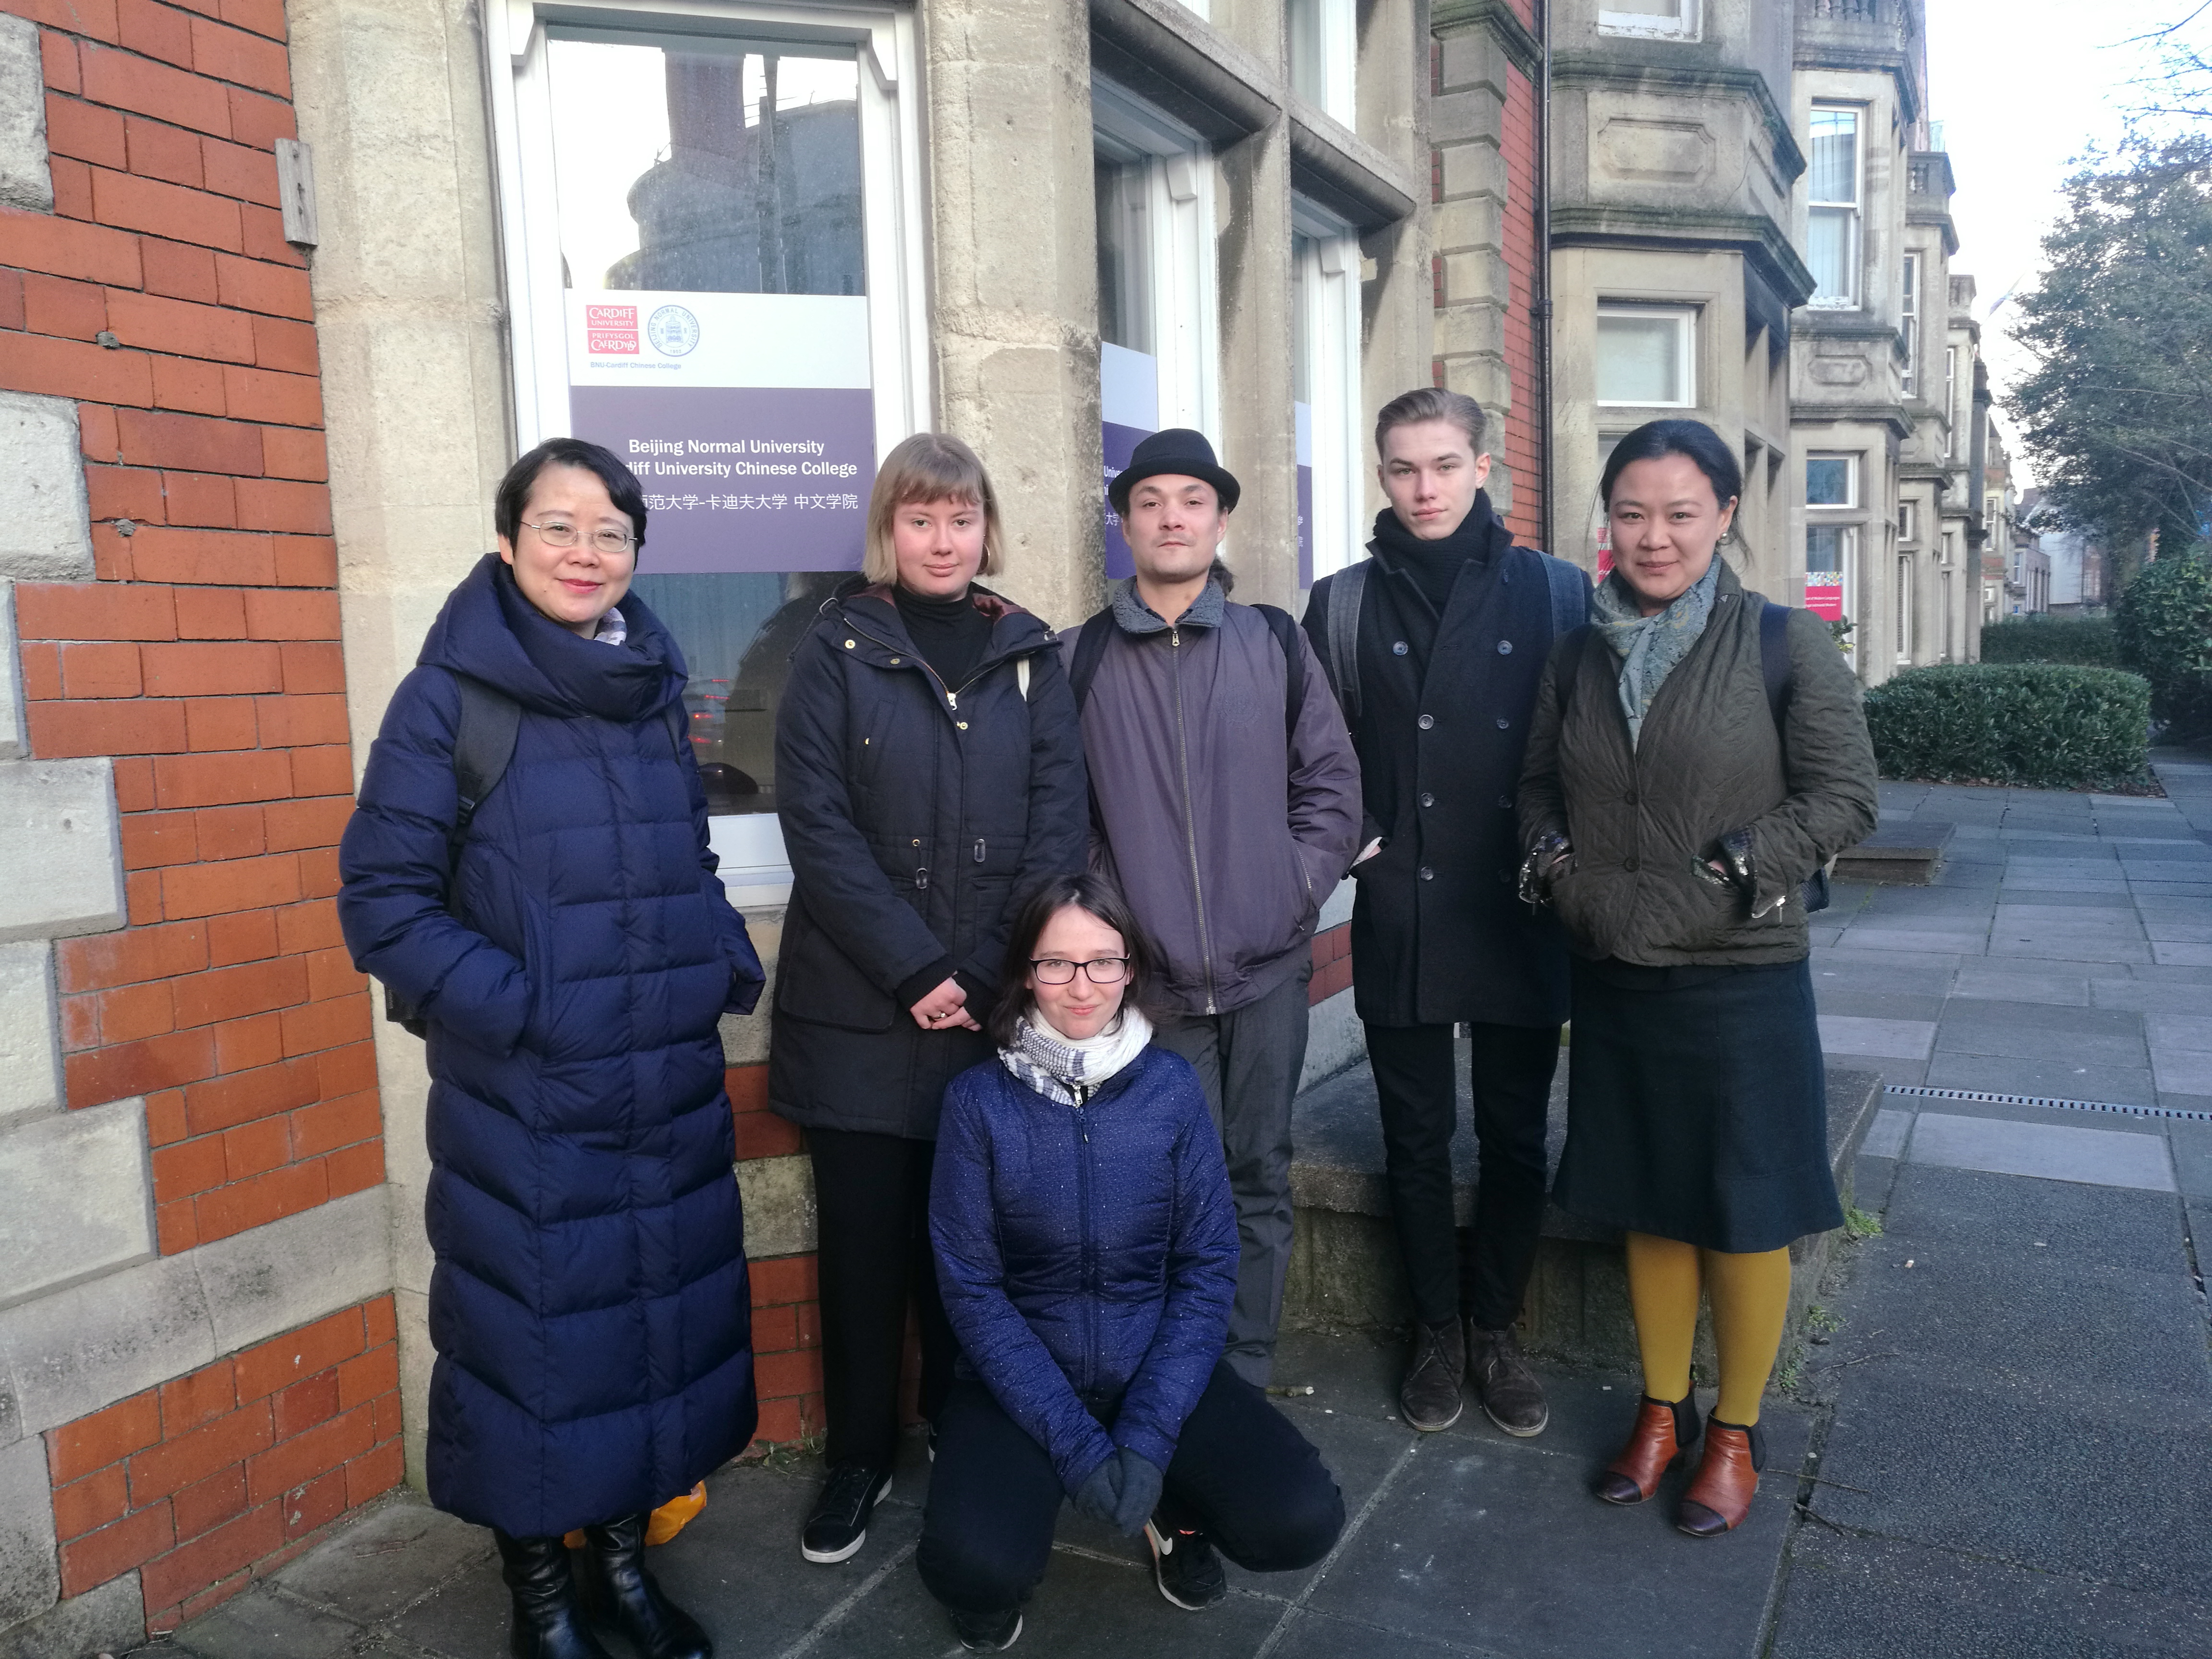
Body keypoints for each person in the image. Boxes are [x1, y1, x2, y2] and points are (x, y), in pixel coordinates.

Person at [339, 437, 766, 1659]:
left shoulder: (650, 689)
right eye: (559, 527)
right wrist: (532, 1013)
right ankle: (541, 1604)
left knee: (650, 1343)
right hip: (527, 1104)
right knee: (532, 1356)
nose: (586, 552)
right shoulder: (448, 700)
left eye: (611, 532)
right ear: (508, 539)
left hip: (664, 1090)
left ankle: (621, 1572)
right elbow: (383, 905)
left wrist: (717, 960)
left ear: (637, 553)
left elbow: (686, 857)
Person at [1516, 418, 1877, 1538]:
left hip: (1738, 973)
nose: (1654, 537)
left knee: (1745, 1209)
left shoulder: (1781, 642)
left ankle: (1735, 1431)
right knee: (1648, 1200)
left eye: (1679, 513)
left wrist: (1731, 870)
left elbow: (1845, 798)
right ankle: (1661, 1411)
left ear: (1724, 514)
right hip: (1615, 969)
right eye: (1632, 514)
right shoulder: (1576, 654)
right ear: (1608, 522)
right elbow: (1536, 789)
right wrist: (1559, 874)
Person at [769, 433, 1089, 1567]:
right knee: (863, 1250)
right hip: (861, 1009)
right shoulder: (833, 649)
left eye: (960, 518)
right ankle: (859, 1455)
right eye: (920, 519)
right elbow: (816, 825)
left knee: (976, 1250)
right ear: (888, 531)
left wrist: (997, 976)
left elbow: (1059, 828)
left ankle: (968, 1430)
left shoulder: (1029, 656)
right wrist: (915, 970)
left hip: (989, 1016)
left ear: (986, 528)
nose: (942, 540)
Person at [919, 873, 1347, 1651]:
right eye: (1057, 963)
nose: (1082, 986)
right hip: (1022, 1382)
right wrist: (1080, 1450)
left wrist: (1148, 1436)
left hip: (1153, 1363)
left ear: (1130, 970)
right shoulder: (977, 1104)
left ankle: (1172, 1511)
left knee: (1299, 1520)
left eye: (1103, 962)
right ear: (1026, 973)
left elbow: (1208, 1264)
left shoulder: (1171, 1090)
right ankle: (1003, 1554)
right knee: (974, 1568)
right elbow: (973, 1291)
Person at [1300, 388, 1589, 1437]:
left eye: (1443, 465)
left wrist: (1569, 857)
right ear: (1382, 475)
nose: (1424, 489)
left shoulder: (1557, 592)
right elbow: (1311, 750)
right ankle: (1435, 1331)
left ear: (1482, 468)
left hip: (1519, 900)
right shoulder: (1340, 604)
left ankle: (1496, 1329)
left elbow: (1596, 742)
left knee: (1514, 1136)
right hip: (1404, 903)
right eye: (1403, 469)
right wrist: (1356, 843)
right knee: (1414, 1137)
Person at [1066, 426, 1361, 1387]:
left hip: (1266, 968)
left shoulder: (1273, 640)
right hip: (1150, 984)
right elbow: (1063, 818)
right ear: (1124, 525)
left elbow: (1331, 783)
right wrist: (1117, 922)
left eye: (1192, 501)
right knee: (1163, 1182)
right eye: (1150, 503)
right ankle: (1177, 1370)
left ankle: (1245, 1367)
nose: (1172, 519)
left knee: (1259, 1170)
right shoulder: (1080, 659)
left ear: (1220, 520)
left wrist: (1294, 887)